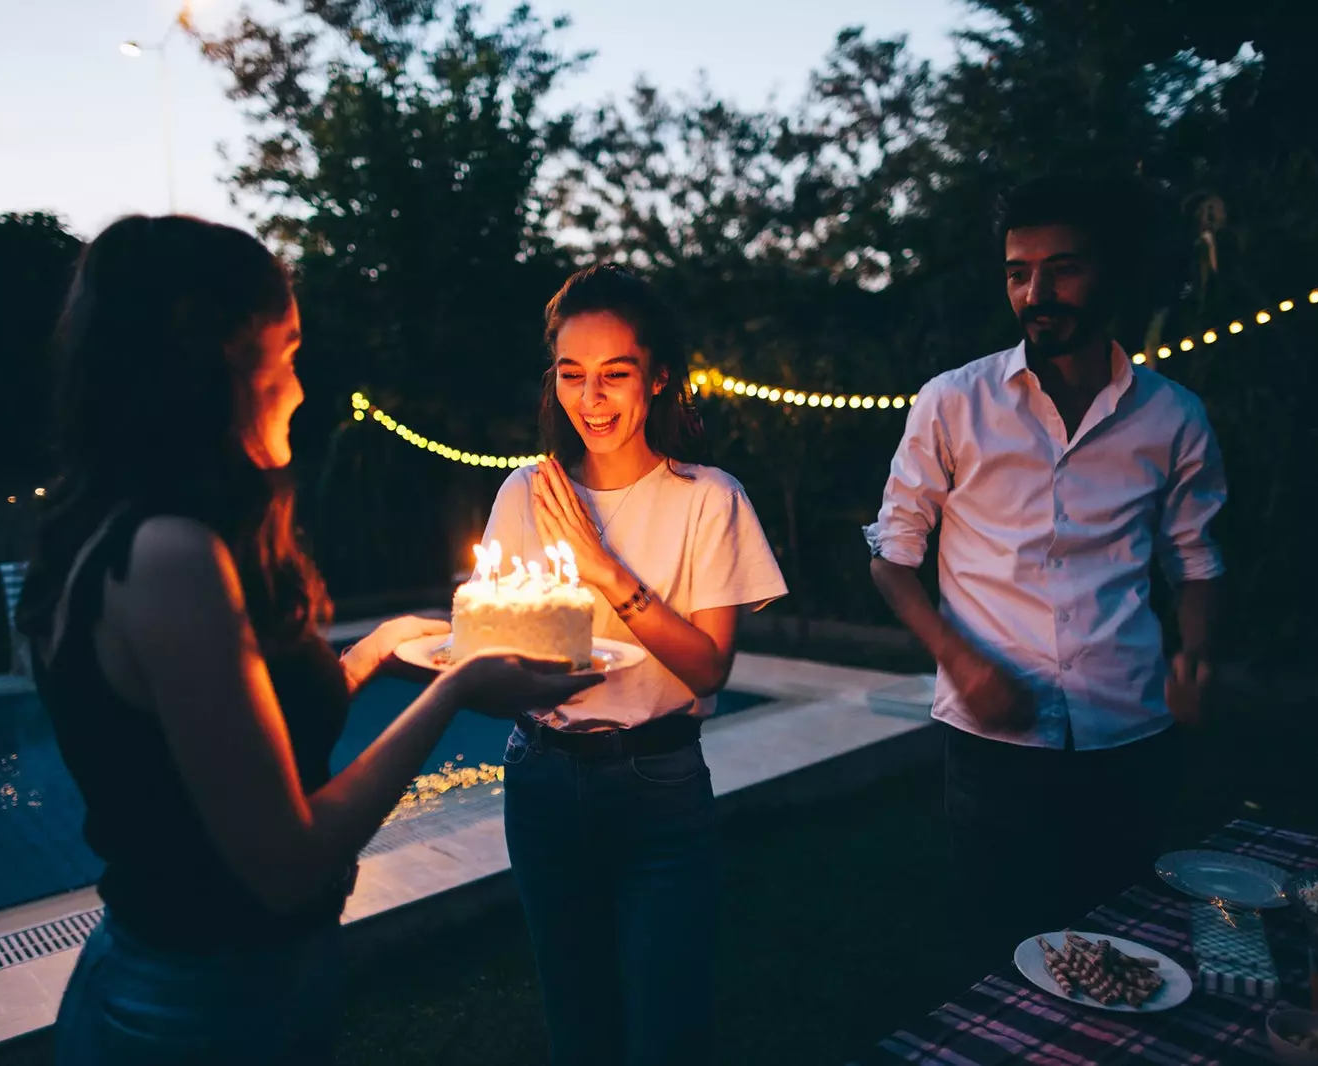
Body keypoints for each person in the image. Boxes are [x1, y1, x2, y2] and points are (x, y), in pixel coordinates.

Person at [15, 215, 600, 1065]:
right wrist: (456, 688)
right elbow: (285, 860)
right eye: (285, 352)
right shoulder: (171, 556)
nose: (298, 385)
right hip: (193, 1012)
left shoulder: (126, 530)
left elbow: (238, 733)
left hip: (224, 987)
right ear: (211, 359)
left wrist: (373, 651)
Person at [864, 175, 1228, 985]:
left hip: (1129, 731)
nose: (1037, 292)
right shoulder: (951, 404)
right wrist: (961, 663)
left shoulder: (1174, 417)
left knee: (1127, 955)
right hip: (994, 740)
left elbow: (1195, 558)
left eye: (1062, 268)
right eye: (1017, 272)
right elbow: (893, 558)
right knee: (996, 962)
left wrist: (1196, 653)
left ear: (1111, 272)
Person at [481, 263, 788, 1065]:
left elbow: (710, 669)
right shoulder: (527, 491)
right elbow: (504, 642)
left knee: (666, 1024)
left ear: (656, 379)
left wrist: (604, 569)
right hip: (541, 774)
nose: (592, 398)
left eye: (615, 375)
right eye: (572, 375)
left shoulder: (707, 499)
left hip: (658, 784)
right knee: (575, 1019)